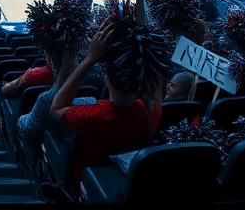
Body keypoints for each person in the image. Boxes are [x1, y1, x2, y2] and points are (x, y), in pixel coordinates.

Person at [51, 18, 166, 193]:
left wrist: (90, 58)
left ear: (107, 78)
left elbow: (56, 107)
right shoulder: (152, 111)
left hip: (89, 184)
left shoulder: (94, 116)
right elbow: (155, 79)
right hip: (124, 185)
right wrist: (143, 52)